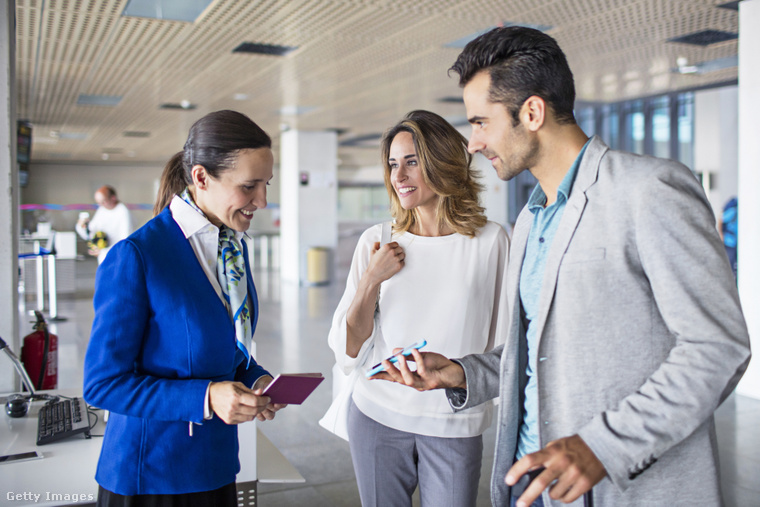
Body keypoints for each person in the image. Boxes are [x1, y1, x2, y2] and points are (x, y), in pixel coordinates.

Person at [374, 27, 751, 507]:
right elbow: (538, 352)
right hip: (532, 487)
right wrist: (461, 373)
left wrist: (602, 448)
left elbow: (718, 347)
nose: (473, 143)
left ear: (531, 113)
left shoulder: (649, 190)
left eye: (481, 123)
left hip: (624, 489)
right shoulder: (531, 219)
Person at [83, 110, 285, 506]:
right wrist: (207, 398)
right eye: (249, 186)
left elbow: (227, 347)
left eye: (266, 185)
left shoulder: (231, 249)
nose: (261, 200)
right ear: (201, 178)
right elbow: (103, 384)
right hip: (152, 477)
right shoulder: (137, 257)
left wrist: (257, 379)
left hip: (215, 465)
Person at [327, 110, 509, 507]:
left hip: (453, 421)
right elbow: (348, 347)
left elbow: (505, 343)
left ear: (442, 162)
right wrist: (372, 279)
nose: (399, 176)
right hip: (377, 416)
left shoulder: (492, 242)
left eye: (412, 161)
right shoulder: (376, 241)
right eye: (393, 164)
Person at [75, 185, 133, 264]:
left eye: (104, 202)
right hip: (103, 260)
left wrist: (102, 251)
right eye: (99, 203)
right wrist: (82, 227)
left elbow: (124, 242)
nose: (101, 205)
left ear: (113, 198)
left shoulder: (123, 212)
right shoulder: (102, 210)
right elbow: (90, 235)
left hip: (116, 260)